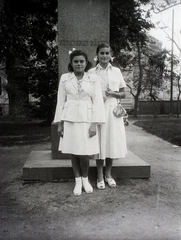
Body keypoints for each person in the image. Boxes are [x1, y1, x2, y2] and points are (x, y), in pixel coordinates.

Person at [53, 49, 105, 196]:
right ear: (71, 63)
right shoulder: (65, 78)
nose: (79, 64)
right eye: (75, 61)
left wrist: (95, 123)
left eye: (81, 61)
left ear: (86, 63)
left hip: (87, 120)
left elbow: (98, 102)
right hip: (69, 119)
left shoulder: (93, 79)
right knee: (74, 152)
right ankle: (77, 181)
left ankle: (85, 179)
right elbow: (60, 102)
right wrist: (60, 123)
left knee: (84, 153)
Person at [89, 43, 127, 189]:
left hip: (112, 110)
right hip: (98, 110)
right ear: (97, 55)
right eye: (102, 53)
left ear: (111, 55)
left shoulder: (116, 71)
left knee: (111, 141)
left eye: (107, 53)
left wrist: (113, 93)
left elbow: (123, 93)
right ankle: (99, 175)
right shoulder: (92, 72)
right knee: (99, 142)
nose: (105, 56)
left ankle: (108, 174)